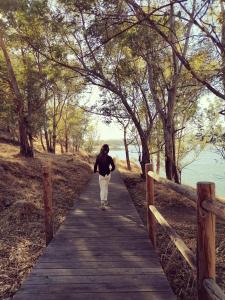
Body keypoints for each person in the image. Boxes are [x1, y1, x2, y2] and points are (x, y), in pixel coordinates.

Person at [94, 144, 115, 210]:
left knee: (102, 189)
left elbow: (95, 165)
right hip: (108, 175)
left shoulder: (98, 157)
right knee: (106, 187)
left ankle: (102, 203)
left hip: (101, 175)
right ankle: (105, 201)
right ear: (108, 150)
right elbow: (113, 167)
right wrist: (110, 170)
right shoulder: (109, 158)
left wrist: (95, 171)